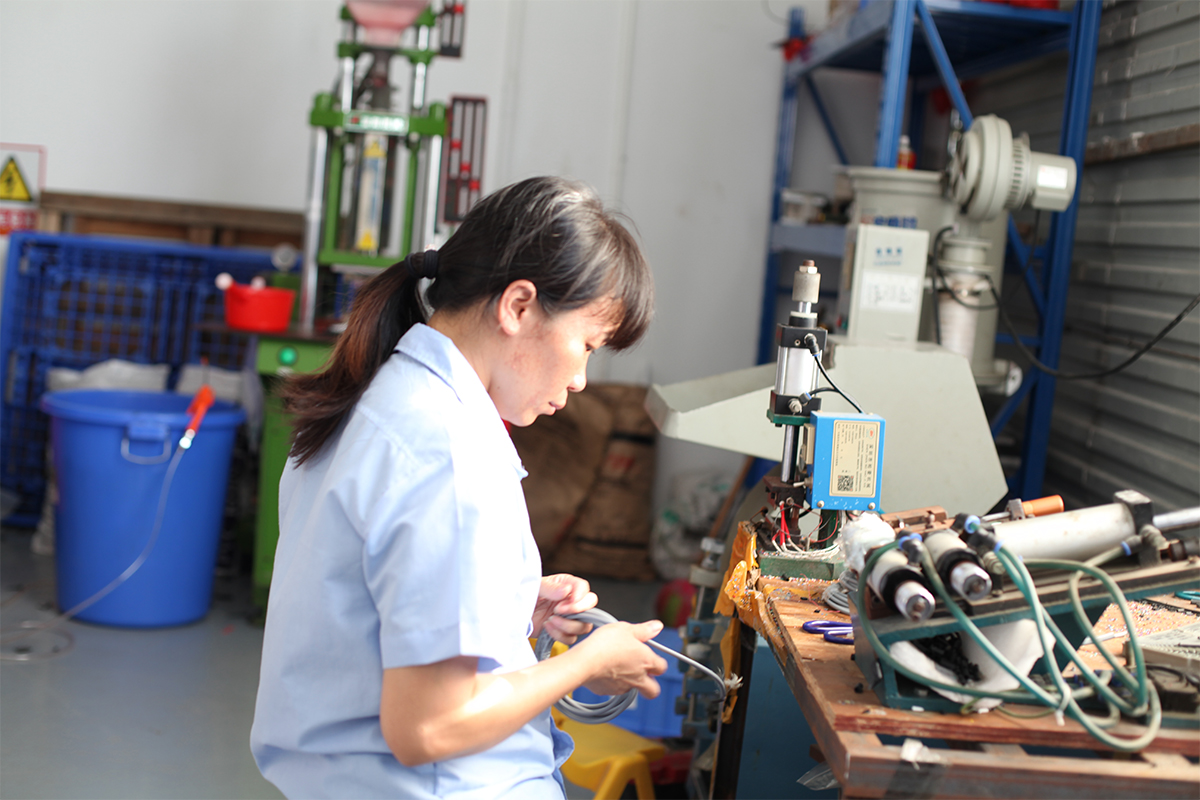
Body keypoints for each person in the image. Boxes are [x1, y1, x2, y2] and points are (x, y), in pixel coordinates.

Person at [250, 176, 668, 799]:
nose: (582, 378)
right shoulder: (446, 453)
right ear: (518, 306)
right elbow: (431, 726)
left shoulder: (378, 399)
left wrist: (505, 607)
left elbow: (360, 600)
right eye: (586, 344)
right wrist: (589, 661)